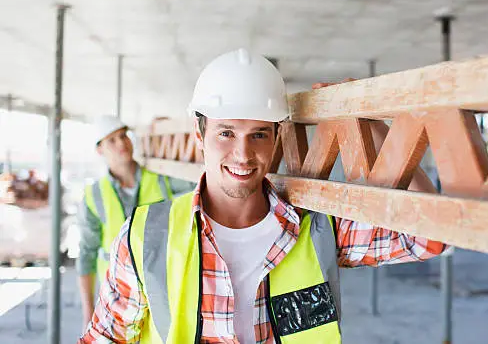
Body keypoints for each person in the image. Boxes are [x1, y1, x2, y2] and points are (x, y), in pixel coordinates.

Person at [79, 49, 446, 343]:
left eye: (258, 134)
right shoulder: (145, 238)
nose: (243, 155)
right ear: (198, 134)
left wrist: (374, 127)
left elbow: (429, 238)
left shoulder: (317, 230)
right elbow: (106, 336)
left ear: (277, 137)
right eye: (226, 133)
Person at [77, 115, 195, 330]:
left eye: (123, 136)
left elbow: (202, 182)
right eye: (111, 140)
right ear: (100, 150)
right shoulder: (93, 195)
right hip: (116, 293)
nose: (122, 143)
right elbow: (86, 254)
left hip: (163, 288)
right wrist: (88, 312)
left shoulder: (162, 180)